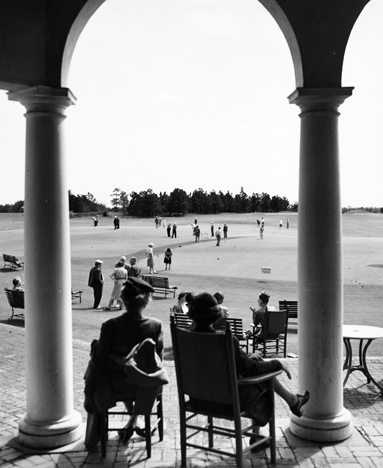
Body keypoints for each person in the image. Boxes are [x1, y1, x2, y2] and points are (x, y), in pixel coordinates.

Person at [186, 292, 309, 452]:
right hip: (227, 402)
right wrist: (277, 363)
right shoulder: (226, 340)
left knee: (255, 360)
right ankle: (289, 404)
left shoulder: (186, 337)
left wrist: (249, 357)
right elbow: (251, 369)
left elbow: (230, 364)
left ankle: (291, 403)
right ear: (215, 315)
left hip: (198, 399)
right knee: (265, 384)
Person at [84, 277, 164, 442]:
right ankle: (135, 420)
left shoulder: (110, 326)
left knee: (119, 369)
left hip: (116, 387)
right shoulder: (156, 326)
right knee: (136, 371)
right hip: (145, 387)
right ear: (146, 300)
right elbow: (157, 363)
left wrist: (88, 393)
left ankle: (133, 421)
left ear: (123, 299)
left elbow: (98, 364)